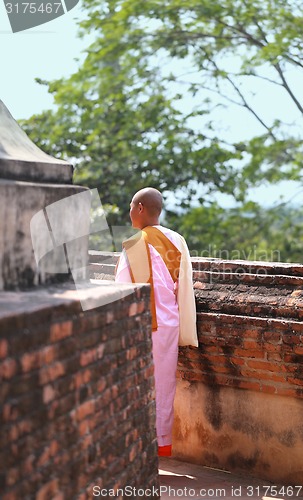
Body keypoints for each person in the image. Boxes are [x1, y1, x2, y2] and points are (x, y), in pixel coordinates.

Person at [115, 187, 198, 457]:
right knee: (163, 385)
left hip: (141, 328)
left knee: (136, 385)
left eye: (130, 207)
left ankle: (137, 444)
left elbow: (121, 294)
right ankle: (161, 443)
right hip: (169, 325)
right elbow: (184, 288)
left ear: (140, 208)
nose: (129, 213)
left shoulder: (134, 245)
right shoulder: (178, 241)